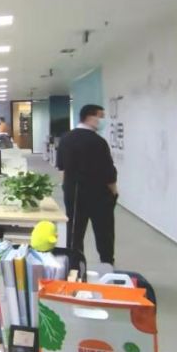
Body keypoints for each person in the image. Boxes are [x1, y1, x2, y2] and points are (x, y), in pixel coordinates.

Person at [56, 104, 117, 264]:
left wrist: (67, 188)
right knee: (104, 232)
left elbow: (62, 167)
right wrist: (114, 192)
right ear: (90, 117)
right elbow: (108, 172)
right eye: (101, 116)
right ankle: (107, 264)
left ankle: (74, 266)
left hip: (74, 192)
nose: (102, 120)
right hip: (99, 194)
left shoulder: (66, 139)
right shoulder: (98, 141)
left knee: (74, 231)